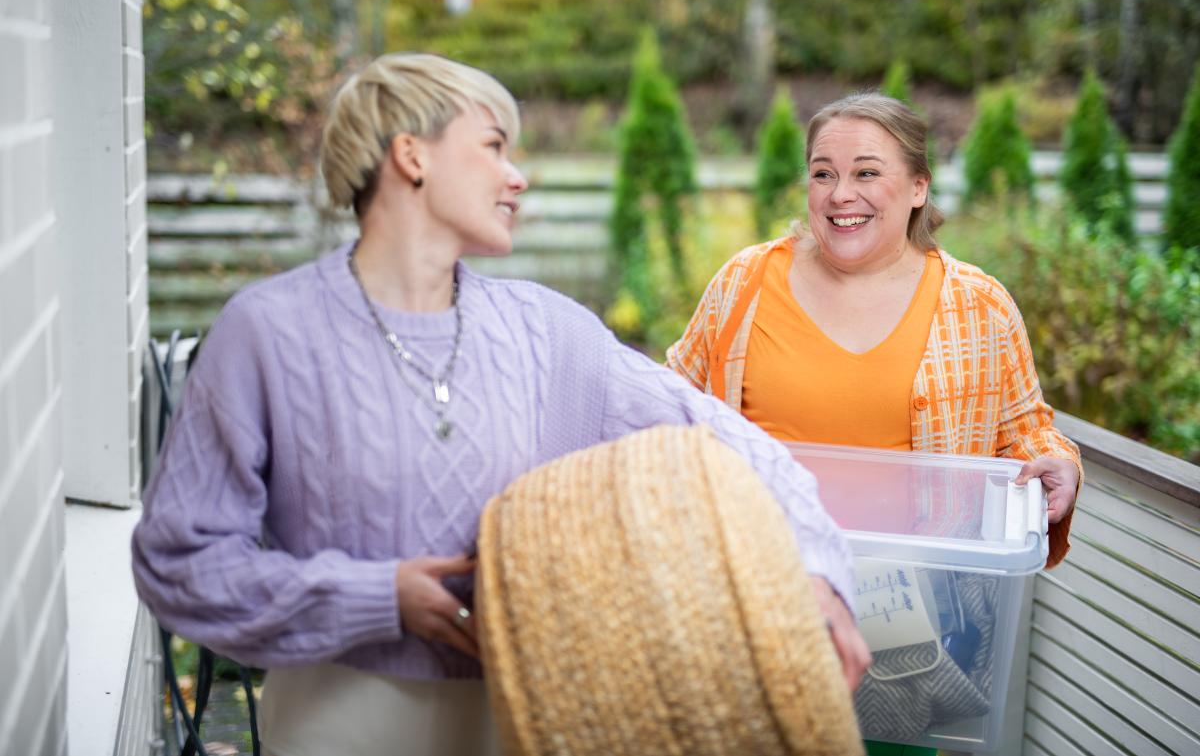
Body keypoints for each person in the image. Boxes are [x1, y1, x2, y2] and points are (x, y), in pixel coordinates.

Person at [131, 53, 868, 756]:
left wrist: (817, 577)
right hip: (334, 726)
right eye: (493, 146)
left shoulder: (549, 331)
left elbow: (736, 448)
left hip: (529, 727)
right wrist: (378, 596)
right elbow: (178, 562)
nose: (518, 176)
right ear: (412, 155)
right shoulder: (268, 332)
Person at [667, 92, 1082, 756]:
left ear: (918, 187)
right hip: (756, 595)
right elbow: (668, 406)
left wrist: (1058, 463)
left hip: (909, 629)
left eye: (866, 172)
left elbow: (1026, 431)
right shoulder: (745, 282)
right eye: (823, 173)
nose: (840, 194)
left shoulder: (979, 307)